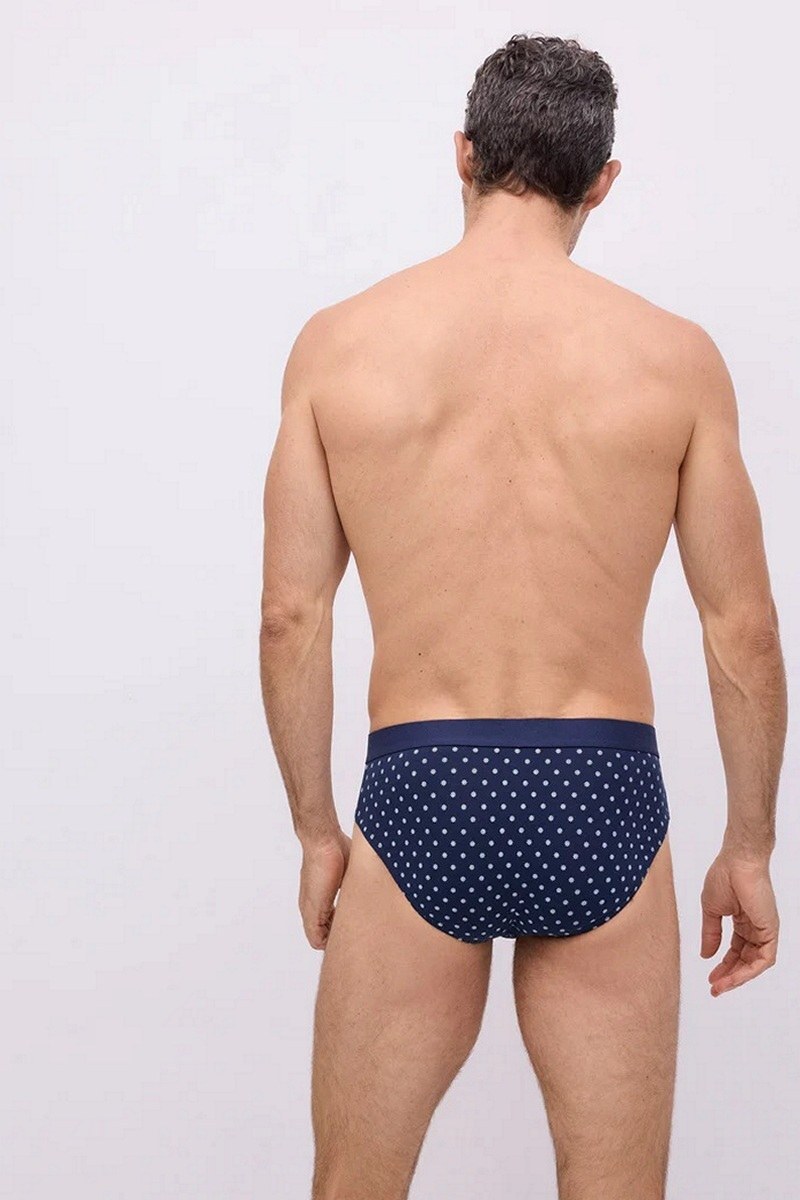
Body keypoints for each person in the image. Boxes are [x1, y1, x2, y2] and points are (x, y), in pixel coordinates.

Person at [259, 32, 787, 1200]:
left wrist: (315, 833)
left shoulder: (338, 348)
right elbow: (740, 628)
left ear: (461, 153)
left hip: (420, 790)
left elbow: (291, 615)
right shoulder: (673, 360)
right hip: (598, 792)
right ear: (601, 181)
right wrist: (748, 847)